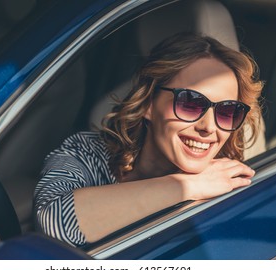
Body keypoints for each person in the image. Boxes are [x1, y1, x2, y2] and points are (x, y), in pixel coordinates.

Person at [34, 32, 263, 247]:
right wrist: (190, 185)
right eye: (190, 103)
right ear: (148, 105)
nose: (209, 127)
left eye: (227, 111)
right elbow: (54, 222)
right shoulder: (89, 151)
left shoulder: (231, 188)